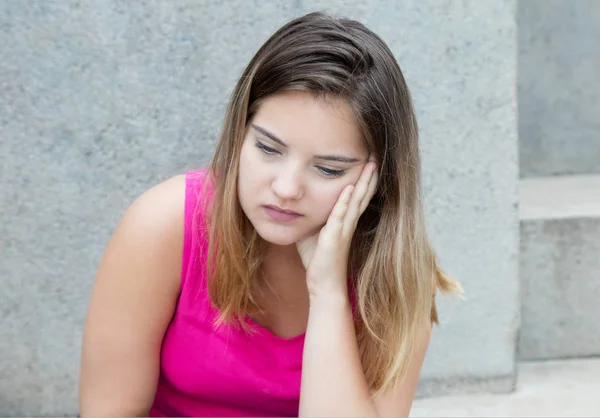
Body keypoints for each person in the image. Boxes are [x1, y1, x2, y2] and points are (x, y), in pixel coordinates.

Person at [78, 11, 461, 417]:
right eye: (268, 149)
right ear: (240, 133)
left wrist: (328, 292)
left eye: (328, 169)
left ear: (378, 177)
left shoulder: (395, 276)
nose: (286, 188)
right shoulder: (163, 226)